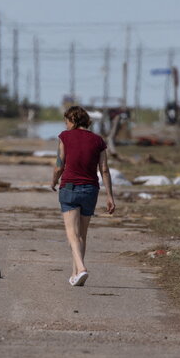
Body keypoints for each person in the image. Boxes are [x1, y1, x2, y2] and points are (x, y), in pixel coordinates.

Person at [51, 106, 115, 286]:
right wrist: (110, 196)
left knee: (72, 234)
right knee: (82, 235)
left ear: (72, 120)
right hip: (90, 190)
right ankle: (75, 275)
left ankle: (81, 267)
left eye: (67, 121)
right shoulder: (98, 141)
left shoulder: (65, 136)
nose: (66, 124)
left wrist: (53, 181)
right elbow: (104, 169)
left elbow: (59, 165)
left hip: (70, 188)